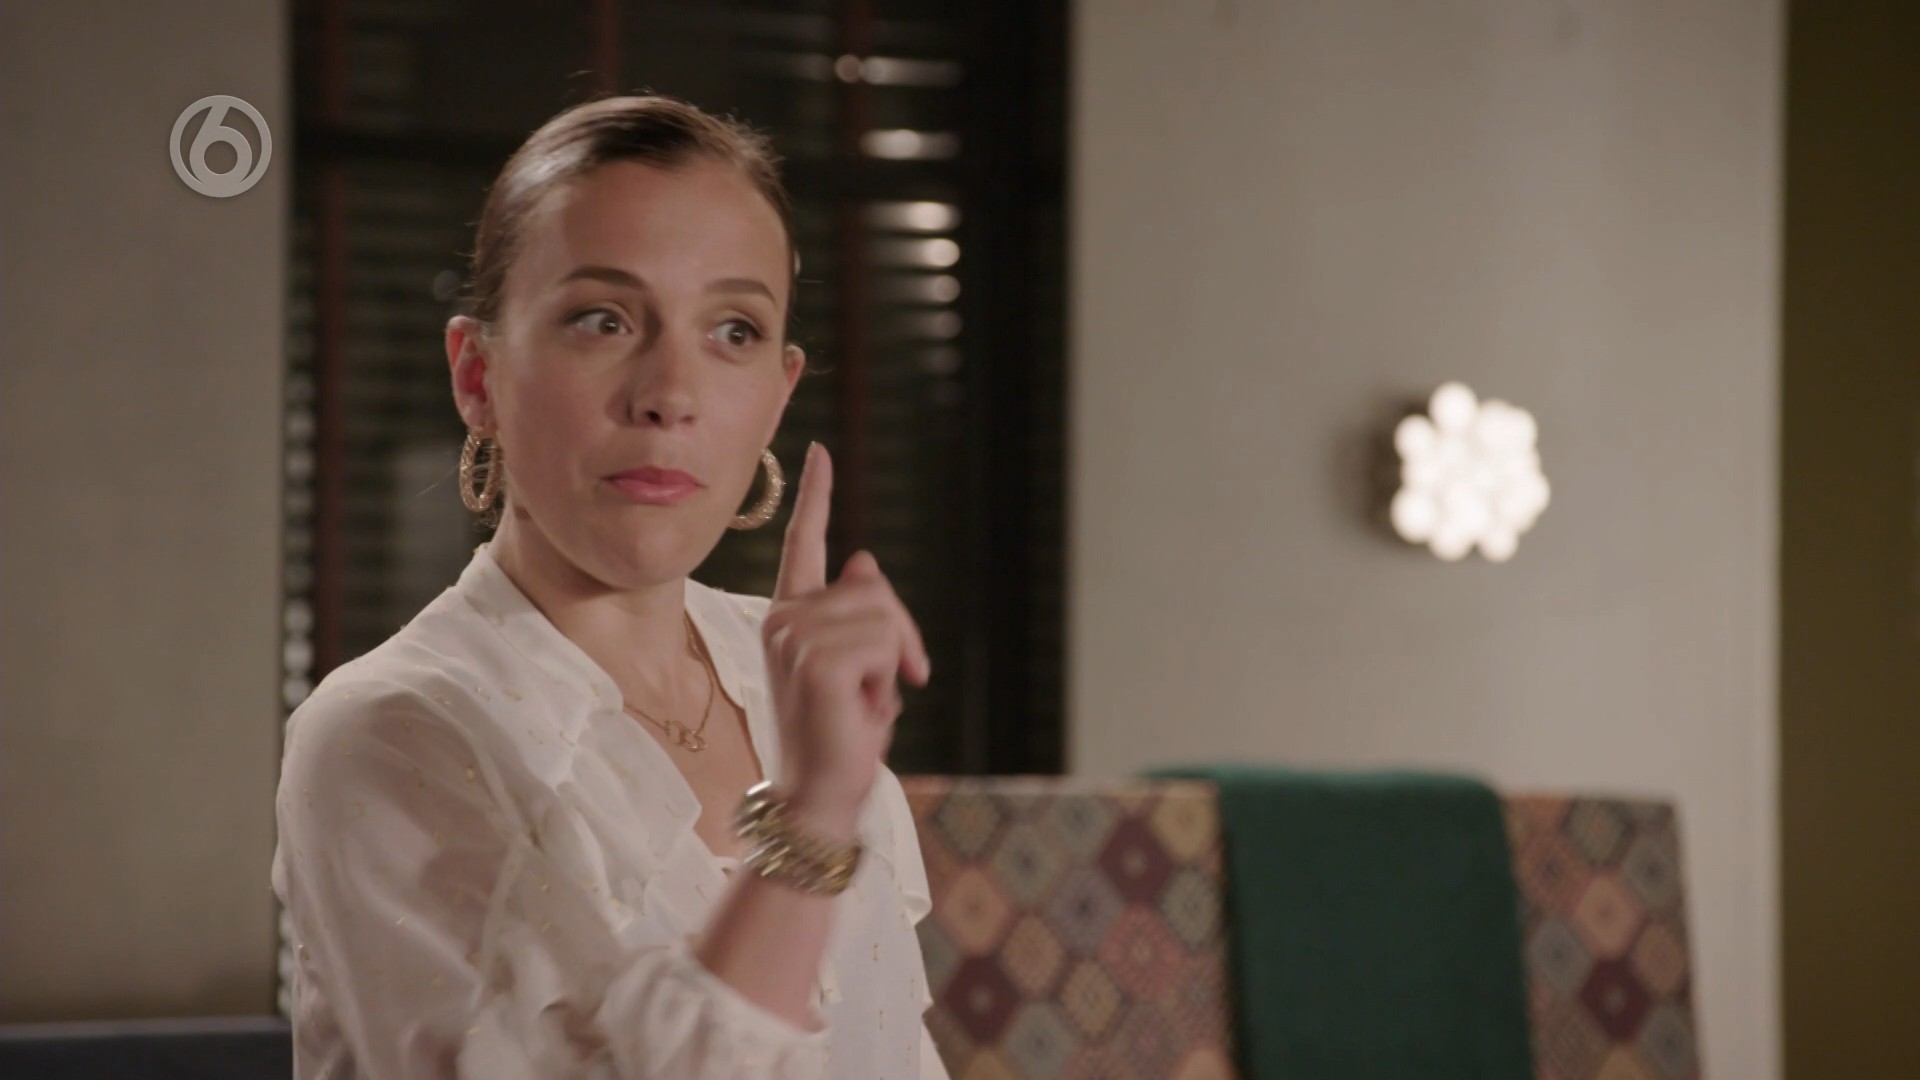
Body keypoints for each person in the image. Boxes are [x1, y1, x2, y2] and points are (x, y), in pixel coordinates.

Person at [270, 94, 949, 1080]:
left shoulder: (798, 690)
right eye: (603, 320)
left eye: (733, 331)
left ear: (779, 395)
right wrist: (806, 825)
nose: (669, 394)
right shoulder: (385, 733)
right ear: (477, 376)